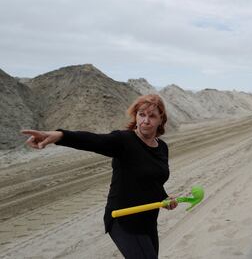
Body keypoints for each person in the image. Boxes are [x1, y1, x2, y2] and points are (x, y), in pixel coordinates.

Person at [22, 94, 177, 259]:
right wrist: (60, 136)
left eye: (152, 116)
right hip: (123, 218)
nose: (145, 120)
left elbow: (154, 181)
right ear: (135, 116)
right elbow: (93, 140)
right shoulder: (123, 140)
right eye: (141, 114)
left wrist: (165, 198)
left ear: (161, 119)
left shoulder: (162, 148)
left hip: (147, 220)